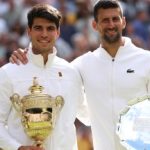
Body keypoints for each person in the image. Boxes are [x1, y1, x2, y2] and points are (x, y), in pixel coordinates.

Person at [9, 0, 150, 150]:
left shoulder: (146, 60)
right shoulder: (81, 65)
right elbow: (46, 69)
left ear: (123, 22)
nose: (111, 24)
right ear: (94, 25)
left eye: (115, 19)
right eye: (105, 20)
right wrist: (24, 56)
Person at [0, 4, 90, 150]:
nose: (44, 34)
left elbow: (88, 116)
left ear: (58, 32)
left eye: (50, 28)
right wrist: (17, 147)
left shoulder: (71, 72)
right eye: (38, 28)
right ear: (28, 31)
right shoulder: (8, 72)